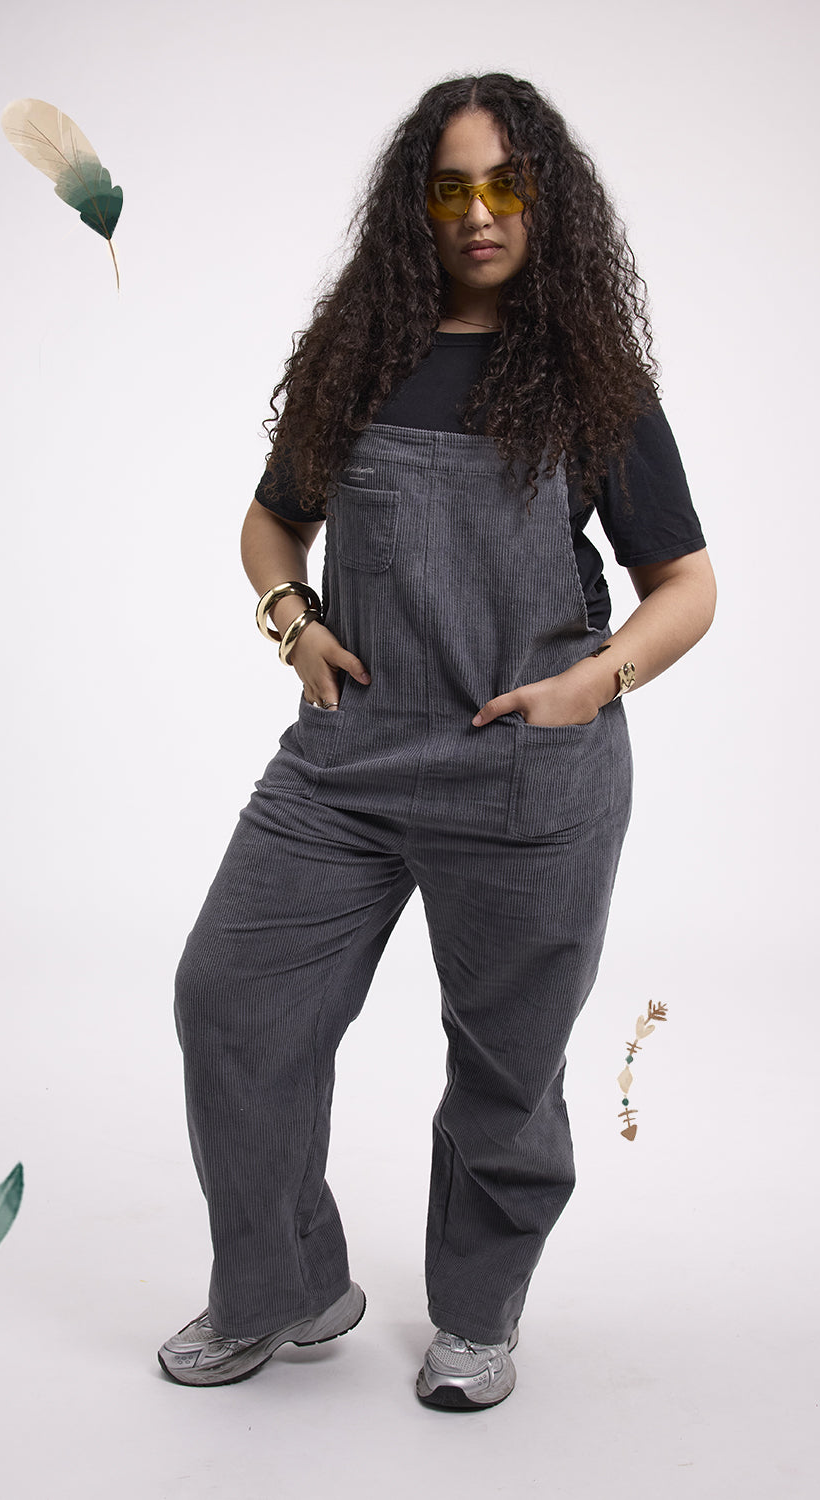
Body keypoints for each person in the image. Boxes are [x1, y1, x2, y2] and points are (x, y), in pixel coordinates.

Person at [158, 72, 716, 1410]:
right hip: (347, 763)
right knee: (229, 998)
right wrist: (292, 619)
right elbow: (272, 523)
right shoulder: (359, 358)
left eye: (505, 185)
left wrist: (591, 687)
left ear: (546, 201)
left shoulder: (591, 382)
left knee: (505, 1070)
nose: (478, 213)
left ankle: (475, 1314)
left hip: (531, 774)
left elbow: (687, 586)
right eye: (451, 188)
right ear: (416, 206)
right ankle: (282, 1287)